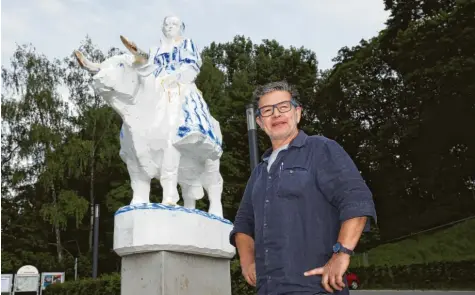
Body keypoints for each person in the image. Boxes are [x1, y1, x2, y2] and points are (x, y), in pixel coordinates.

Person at [229, 81, 377, 294]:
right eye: (267, 110)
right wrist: (247, 261)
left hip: (315, 287)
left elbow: (356, 200)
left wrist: (342, 252)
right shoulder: (258, 173)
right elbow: (243, 224)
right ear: (260, 122)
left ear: (298, 113)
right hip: (268, 289)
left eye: (283, 107)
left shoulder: (321, 149)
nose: (276, 114)